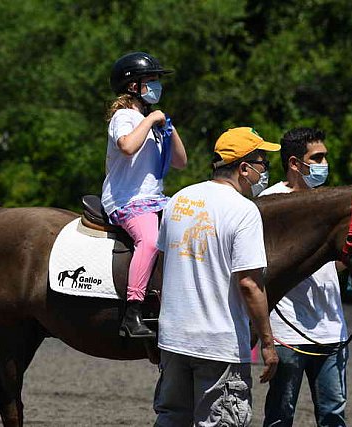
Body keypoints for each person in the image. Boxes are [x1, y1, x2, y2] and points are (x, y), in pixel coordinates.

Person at [153, 127, 280, 426]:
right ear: (244, 168)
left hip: (172, 339)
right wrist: (267, 342)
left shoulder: (179, 199)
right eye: (264, 164)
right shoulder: (244, 211)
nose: (266, 172)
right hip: (218, 344)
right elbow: (249, 283)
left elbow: (162, 264)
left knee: (171, 419)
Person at [261, 128, 349, 427]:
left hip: (332, 329)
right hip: (287, 331)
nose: (325, 163)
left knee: (334, 416)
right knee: (280, 416)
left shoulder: (328, 201)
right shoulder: (270, 202)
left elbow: (332, 263)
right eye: (318, 157)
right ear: (296, 163)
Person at [102, 52, 187, 338]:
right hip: (127, 200)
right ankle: (133, 312)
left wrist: (169, 130)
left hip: (155, 198)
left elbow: (180, 162)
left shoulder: (147, 120)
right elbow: (127, 146)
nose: (156, 87)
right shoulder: (123, 118)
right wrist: (150, 120)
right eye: (150, 81)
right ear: (132, 86)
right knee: (149, 241)